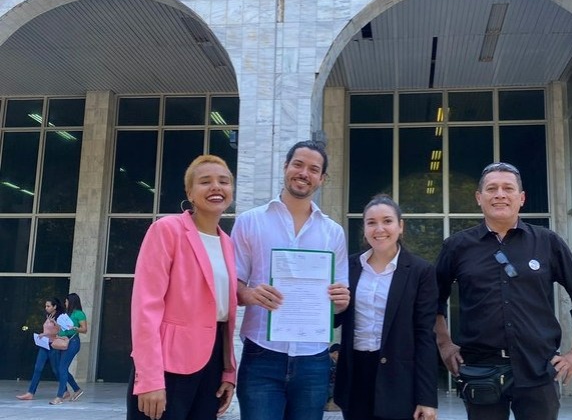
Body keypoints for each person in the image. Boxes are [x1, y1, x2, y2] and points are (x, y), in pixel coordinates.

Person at [434, 162, 572, 420]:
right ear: (479, 198)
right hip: (481, 369)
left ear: (521, 198)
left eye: (507, 188)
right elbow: (433, 300)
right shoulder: (457, 246)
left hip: (538, 368)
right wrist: (444, 344)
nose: (500, 194)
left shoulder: (547, 242)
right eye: (491, 189)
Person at [232, 139, 350, 420]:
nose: (303, 173)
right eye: (298, 164)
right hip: (262, 355)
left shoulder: (333, 233)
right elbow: (231, 286)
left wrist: (341, 301)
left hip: (313, 360)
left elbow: (338, 301)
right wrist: (249, 294)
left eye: (313, 169)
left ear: (322, 179)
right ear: (285, 167)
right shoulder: (250, 222)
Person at [127, 154, 238, 420]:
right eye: (205, 181)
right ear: (190, 192)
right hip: (168, 364)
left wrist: (228, 370)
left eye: (224, 181)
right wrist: (150, 377)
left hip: (212, 362)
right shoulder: (167, 230)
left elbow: (223, 312)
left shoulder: (227, 244)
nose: (216, 187)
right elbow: (146, 308)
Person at [334, 195, 438, 420]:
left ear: (400, 227)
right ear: (364, 228)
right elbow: (332, 318)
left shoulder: (421, 271)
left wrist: (427, 398)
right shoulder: (348, 267)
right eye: (371, 222)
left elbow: (425, 336)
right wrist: (335, 308)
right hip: (355, 376)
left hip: (399, 380)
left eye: (387, 221)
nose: (379, 228)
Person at [16, 297, 68, 401]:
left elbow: (61, 332)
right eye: (46, 306)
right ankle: (30, 392)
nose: (46, 308)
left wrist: (46, 333)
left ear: (55, 307)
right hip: (44, 345)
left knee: (56, 370)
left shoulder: (59, 317)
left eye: (48, 306)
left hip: (54, 346)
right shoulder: (48, 316)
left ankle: (65, 390)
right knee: (37, 368)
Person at [50, 292, 86, 405]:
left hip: (73, 342)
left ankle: (60, 396)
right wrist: (56, 324)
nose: (65, 303)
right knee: (60, 368)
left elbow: (84, 329)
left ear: (71, 301)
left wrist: (74, 327)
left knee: (62, 367)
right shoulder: (67, 314)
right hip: (64, 340)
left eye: (66, 301)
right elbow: (63, 328)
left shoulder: (79, 314)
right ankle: (76, 389)